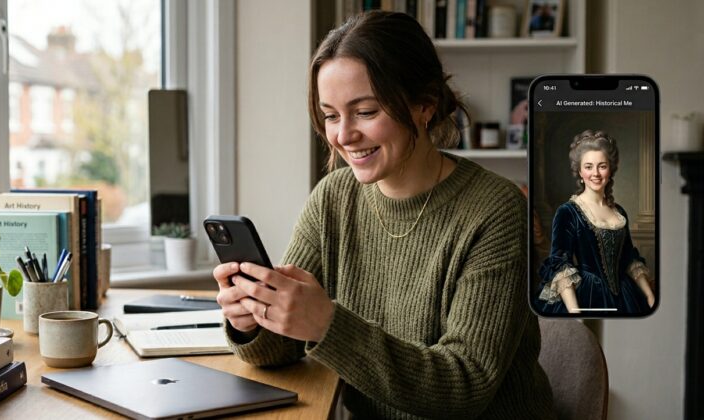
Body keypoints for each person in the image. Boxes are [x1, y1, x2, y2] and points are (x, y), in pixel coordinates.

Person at [213, 11, 555, 418]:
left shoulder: (496, 210)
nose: (343, 135)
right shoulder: (332, 200)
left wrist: (326, 324)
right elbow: (283, 347)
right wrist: (252, 320)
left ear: (424, 106)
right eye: (331, 115)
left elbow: (466, 385)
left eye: (366, 111)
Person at [535, 130, 655, 315]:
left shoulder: (619, 212)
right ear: (580, 172)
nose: (596, 173)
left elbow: (630, 259)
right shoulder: (568, 212)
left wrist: (649, 295)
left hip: (625, 294)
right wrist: (574, 311)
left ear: (610, 169)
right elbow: (561, 263)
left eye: (602, 166)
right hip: (586, 295)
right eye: (589, 167)